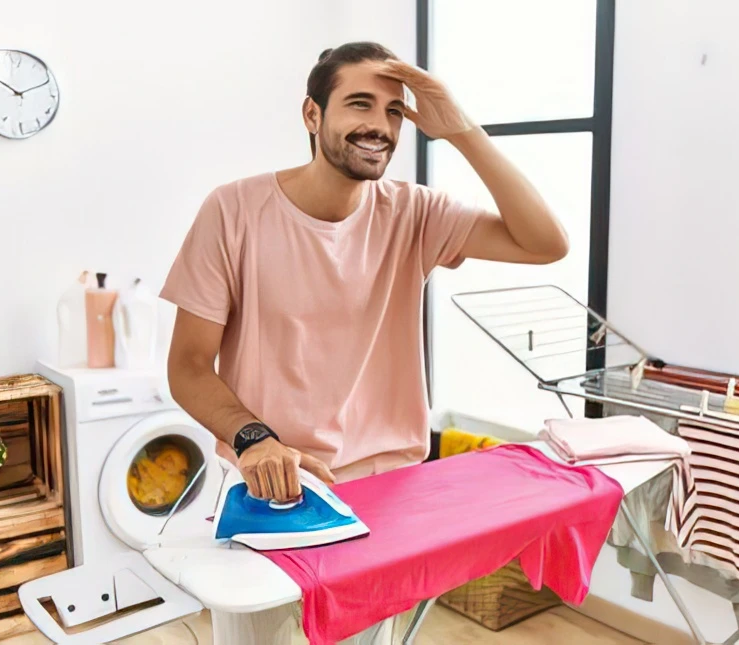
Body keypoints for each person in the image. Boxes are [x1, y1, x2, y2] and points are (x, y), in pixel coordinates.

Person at [160, 41, 569, 645]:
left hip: (386, 490)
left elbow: (546, 243)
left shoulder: (415, 213)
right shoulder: (233, 210)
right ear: (312, 114)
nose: (380, 125)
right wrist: (255, 440)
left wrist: (461, 130)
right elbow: (189, 366)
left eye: (394, 111)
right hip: (270, 483)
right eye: (360, 104)